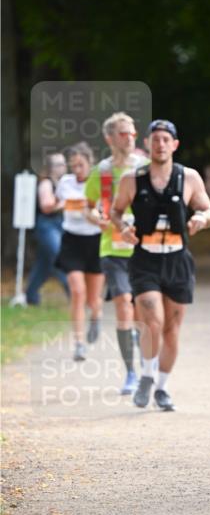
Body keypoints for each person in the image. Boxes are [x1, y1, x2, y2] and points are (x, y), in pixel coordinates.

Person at [110, 119, 210, 411]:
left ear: (175, 145)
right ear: (147, 144)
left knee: (171, 328)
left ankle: (162, 387)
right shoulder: (132, 179)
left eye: (165, 139)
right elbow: (116, 211)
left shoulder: (189, 178)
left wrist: (200, 219)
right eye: (155, 139)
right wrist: (123, 228)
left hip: (177, 259)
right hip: (145, 258)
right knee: (152, 320)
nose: (160, 144)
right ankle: (146, 374)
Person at [85, 112, 142, 394]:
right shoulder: (102, 171)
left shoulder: (145, 166)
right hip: (112, 247)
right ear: (109, 138)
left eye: (132, 132)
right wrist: (95, 218)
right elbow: (87, 205)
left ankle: (146, 361)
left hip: (144, 246)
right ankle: (131, 372)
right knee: (122, 303)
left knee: (143, 308)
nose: (129, 137)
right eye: (123, 133)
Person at [55, 143, 103, 360]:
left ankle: (96, 314)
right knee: (77, 292)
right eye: (73, 165)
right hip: (71, 241)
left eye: (81, 165)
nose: (77, 169)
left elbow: (105, 210)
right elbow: (58, 203)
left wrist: (91, 211)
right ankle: (79, 343)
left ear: (89, 163)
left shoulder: (98, 183)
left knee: (93, 299)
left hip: (94, 241)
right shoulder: (64, 183)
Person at [25, 152, 69, 305]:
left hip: (60, 224)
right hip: (47, 226)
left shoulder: (65, 183)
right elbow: (46, 207)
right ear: (50, 168)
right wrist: (65, 203)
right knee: (59, 258)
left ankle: (30, 297)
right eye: (58, 164)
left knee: (43, 264)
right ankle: (73, 292)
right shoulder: (46, 183)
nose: (62, 167)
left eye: (63, 163)